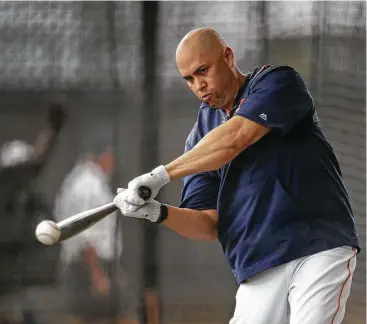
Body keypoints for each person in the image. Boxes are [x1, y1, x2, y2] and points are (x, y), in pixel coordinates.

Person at [113, 28, 361, 324]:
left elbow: (235, 138)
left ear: (228, 57)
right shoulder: (199, 139)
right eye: (189, 79)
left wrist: (160, 175)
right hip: (258, 265)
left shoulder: (276, 81)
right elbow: (207, 224)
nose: (199, 85)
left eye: (203, 70)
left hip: (317, 247)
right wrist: (156, 212)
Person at [53, 147, 139, 324]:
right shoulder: (89, 187)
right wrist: (96, 273)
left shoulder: (75, 181)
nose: (114, 164)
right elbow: (85, 235)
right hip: (91, 263)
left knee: (84, 316)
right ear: (103, 156)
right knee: (122, 314)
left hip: (86, 264)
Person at [0, 104, 66, 324]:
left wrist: (52, 130)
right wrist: (52, 130)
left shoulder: (23, 193)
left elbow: (37, 160)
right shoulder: (9, 190)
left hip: (18, 271)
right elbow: (36, 162)